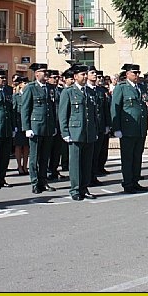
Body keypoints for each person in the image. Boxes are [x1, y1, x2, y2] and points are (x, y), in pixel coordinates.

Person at [58, 65, 99, 199]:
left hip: (89, 132)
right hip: (75, 132)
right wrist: (65, 132)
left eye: (86, 74)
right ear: (75, 77)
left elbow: (93, 113)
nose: (85, 77)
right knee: (76, 163)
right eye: (82, 74)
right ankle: (75, 189)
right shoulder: (68, 92)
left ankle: (84, 187)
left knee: (87, 162)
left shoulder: (90, 91)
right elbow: (63, 114)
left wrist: (95, 129)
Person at [111, 63, 148, 193]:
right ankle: (127, 183)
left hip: (140, 128)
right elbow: (115, 108)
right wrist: (116, 128)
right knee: (127, 157)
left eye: (138, 73)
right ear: (127, 74)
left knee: (137, 156)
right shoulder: (121, 88)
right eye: (134, 73)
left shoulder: (141, 87)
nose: (137, 75)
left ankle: (135, 181)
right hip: (127, 129)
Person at [21, 62, 58, 195]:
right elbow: (25, 108)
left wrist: (53, 125)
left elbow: (52, 108)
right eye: (43, 71)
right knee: (35, 157)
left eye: (46, 71)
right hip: (35, 126)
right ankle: (35, 182)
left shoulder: (50, 88)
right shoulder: (30, 88)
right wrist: (27, 128)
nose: (46, 74)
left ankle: (43, 181)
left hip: (48, 126)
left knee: (45, 157)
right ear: (36, 74)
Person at [12, 76, 30, 175]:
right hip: (19, 124)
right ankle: (19, 166)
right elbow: (14, 111)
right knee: (19, 146)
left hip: (27, 124)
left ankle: (25, 166)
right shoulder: (16, 96)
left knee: (26, 146)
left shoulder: (29, 95)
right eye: (24, 83)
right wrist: (14, 125)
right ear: (20, 85)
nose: (26, 85)